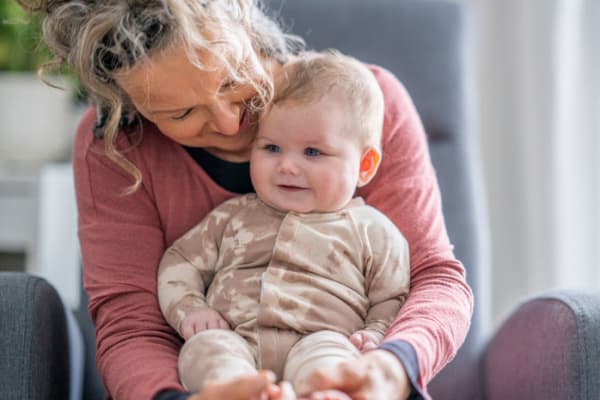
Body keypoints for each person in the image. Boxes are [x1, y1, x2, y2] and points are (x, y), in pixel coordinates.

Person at [16, 1, 473, 400]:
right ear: (129, 106)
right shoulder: (115, 146)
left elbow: (434, 278)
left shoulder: (360, 106)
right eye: (181, 113)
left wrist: (388, 367)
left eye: (232, 79)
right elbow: (131, 324)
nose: (231, 123)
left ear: (242, 16)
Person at [157, 51, 411, 398]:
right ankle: (238, 392)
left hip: (323, 338)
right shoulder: (233, 217)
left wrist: (377, 332)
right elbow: (181, 262)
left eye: (312, 153)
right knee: (205, 349)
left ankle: (326, 393)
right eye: (272, 147)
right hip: (235, 336)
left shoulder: (373, 231)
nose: (287, 166)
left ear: (365, 164)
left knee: (332, 360)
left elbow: (393, 294)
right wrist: (191, 310)